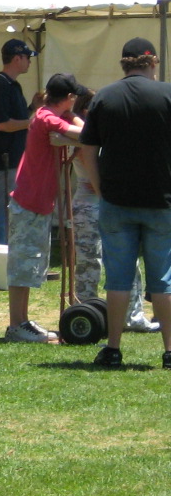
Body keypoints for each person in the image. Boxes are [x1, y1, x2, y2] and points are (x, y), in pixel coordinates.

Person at [79, 37, 171, 368]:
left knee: (117, 279)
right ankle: (170, 351)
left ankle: (113, 348)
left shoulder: (104, 96)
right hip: (162, 201)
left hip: (116, 201)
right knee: (163, 281)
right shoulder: (168, 94)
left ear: (124, 63)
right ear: (153, 62)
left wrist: (99, 188)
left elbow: (87, 150)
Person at [3, 73, 84, 342]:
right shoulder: (46, 117)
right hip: (29, 201)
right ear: (69, 97)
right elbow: (86, 133)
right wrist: (74, 119)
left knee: (29, 266)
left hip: (36, 202)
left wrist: (70, 115)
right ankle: (16, 325)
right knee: (21, 266)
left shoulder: (48, 115)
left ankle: (22, 321)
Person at [70, 89, 157, 332]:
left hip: (106, 203)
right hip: (90, 204)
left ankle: (132, 315)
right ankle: (87, 313)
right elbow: (92, 167)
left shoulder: (96, 132)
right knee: (90, 262)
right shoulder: (83, 134)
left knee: (127, 260)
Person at [0, 38, 42, 244]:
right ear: (17, 58)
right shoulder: (1, 86)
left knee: (10, 205)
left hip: (14, 156)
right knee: (3, 206)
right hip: (6, 156)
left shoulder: (11, 85)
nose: (29, 62)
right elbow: (2, 124)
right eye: (27, 57)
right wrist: (33, 122)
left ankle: (6, 246)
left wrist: (32, 108)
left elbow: (14, 119)